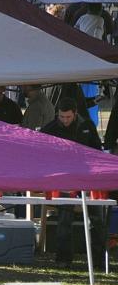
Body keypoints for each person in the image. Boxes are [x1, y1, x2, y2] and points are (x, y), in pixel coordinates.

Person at [40, 97, 105, 268]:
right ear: (58, 114)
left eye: (68, 117)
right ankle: (63, 259)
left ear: (75, 114)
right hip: (65, 178)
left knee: (96, 218)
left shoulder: (87, 126)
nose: (65, 120)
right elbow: (40, 149)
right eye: (61, 117)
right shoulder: (51, 128)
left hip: (87, 177)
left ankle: (98, 260)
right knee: (64, 218)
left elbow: (97, 150)